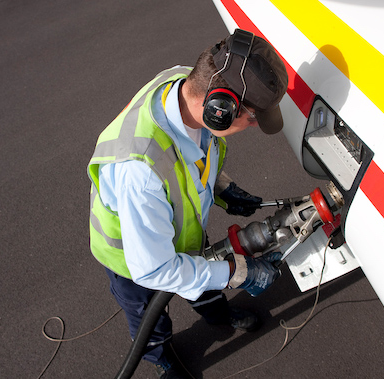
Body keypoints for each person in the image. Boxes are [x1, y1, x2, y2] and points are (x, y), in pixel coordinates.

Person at [87, 29, 289, 378]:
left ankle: (218, 313)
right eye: (253, 117)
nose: (253, 126)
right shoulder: (140, 173)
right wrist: (238, 272)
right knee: (150, 315)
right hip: (134, 260)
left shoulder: (184, 85)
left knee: (203, 272)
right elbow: (155, 269)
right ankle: (160, 355)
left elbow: (195, 154)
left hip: (180, 231)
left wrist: (222, 187)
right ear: (219, 109)